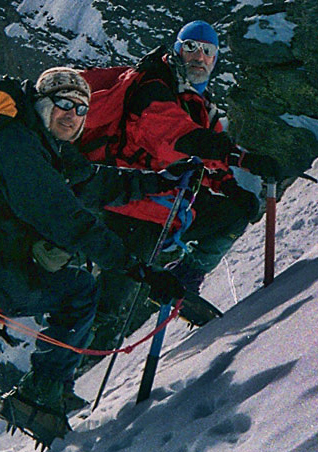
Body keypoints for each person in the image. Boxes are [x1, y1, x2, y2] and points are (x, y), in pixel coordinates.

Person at [0, 67, 183, 452]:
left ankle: (41, 394)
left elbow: (93, 184)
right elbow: (67, 219)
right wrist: (138, 270)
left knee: (79, 292)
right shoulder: (16, 147)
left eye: (81, 109)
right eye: (64, 104)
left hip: (5, 275)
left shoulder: (47, 148)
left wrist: (159, 180)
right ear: (42, 104)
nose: (73, 114)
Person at [80, 20, 283, 335]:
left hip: (171, 207)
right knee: (108, 307)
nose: (198, 57)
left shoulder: (200, 107)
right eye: (190, 48)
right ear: (177, 50)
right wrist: (240, 157)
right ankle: (54, 375)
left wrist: (230, 188)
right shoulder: (153, 87)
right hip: (131, 205)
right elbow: (175, 137)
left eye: (207, 51)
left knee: (234, 215)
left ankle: (186, 280)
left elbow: (209, 162)